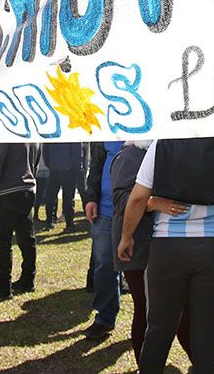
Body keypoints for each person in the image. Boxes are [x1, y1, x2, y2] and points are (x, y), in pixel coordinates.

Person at [119, 136, 214, 374]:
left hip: (168, 246)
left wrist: (126, 236)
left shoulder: (163, 144)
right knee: (209, 339)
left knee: (158, 331)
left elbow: (138, 197)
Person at [110, 138, 192, 366]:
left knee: (174, 309)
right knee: (145, 308)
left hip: (157, 242)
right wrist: (154, 203)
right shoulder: (129, 156)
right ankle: (144, 364)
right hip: (135, 244)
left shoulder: (157, 153)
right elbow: (121, 201)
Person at [0, 141, 40, 302]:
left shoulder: (5, 134)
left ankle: (3, 287)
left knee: (2, 242)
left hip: (5, 192)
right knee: (27, 238)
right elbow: (36, 162)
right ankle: (28, 280)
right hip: (26, 189)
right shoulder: (33, 134)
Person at [83, 140, 123, 341]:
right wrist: (91, 197)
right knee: (104, 266)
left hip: (143, 212)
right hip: (106, 210)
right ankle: (104, 319)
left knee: (146, 272)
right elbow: (96, 164)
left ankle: (149, 323)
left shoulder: (150, 124)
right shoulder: (104, 127)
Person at [43, 141, 84, 230]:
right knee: (68, 198)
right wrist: (77, 167)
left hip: (54, 167)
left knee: (51, 196)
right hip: (69, 168)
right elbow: (77, 150)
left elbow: (45, 148)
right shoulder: (71, 132)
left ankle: (50, 221)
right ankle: (69, 223)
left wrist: (49, 164)